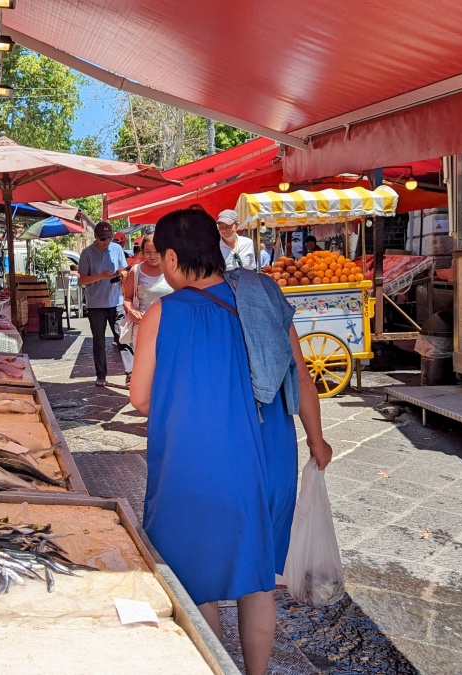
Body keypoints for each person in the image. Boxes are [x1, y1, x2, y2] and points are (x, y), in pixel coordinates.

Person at [129, 208, 333, 675]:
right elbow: (301, 377)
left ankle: (216, 667)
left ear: (173, 258)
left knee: (194, 578)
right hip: (270, 459)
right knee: (256, 579)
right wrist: (317, 440)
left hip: (199, 463)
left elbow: (140, 398)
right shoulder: (263, 296)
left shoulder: (161, 313)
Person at [78, 221, 129, 386]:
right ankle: (101, 375)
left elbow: (124, 270)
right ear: (95, 236)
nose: (106, 241)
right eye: (102, 239)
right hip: (96, 305)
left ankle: (130, 373)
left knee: (123, 337)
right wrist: (101, 276)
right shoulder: (87, 253)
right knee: (99, 341)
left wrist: (120, 274)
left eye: (109, 238)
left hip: (116, 302)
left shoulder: (117, 249)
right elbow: (83, 280)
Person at [121, 234, 173, 385]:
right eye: (148, 252)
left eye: (156, 251)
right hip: (142, 326)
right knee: (145, 367)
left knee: (167, 364)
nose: (152, 256)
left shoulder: (173, 268)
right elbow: (127, 298)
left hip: (169, 325)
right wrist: (132, 311)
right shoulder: (136, 271)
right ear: (142, 252)